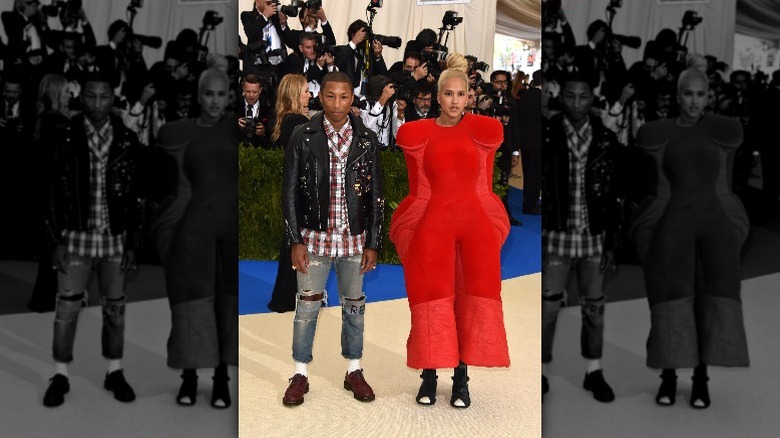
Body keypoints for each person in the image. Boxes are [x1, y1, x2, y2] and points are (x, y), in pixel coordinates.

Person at [390, 53, 511, 408]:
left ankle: (461, 379)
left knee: (467, 298)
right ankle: (429, 376)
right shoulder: (417, 135)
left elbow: (484, 188)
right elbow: (419, 190)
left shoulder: (483, 132)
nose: (455, 100)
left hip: (476, 231)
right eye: (449, 94)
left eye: (462, 94)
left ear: (469, 96)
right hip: (432, 231)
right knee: (431, 299)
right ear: (438, 96)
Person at [630, 68, 750, 408]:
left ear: (708, 96)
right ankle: (668, 377)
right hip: (670, 228)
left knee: (705, 301)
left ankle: (700, 380)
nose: (694, 101)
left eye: (700, 94)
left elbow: (724, 183)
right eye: (688, 94)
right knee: (670, 301)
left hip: (716, 229)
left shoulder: (722, 132)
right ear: (678, 95)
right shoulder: (658, 134)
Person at [281, 71, 384, 406]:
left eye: (344, 97)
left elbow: (376, 196)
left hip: (354, 242)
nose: (337, 104)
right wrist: (295, 239)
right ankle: (300, 373)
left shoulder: (367, 139)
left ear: (352, 98)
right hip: (314, 241)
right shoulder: (302, 135)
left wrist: (373, 243)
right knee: (306, 310)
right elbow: (290, 191)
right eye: (330, 96)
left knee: (354, 309)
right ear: (318, 96)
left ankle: (354, 370)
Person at [43, 71, 144, 407]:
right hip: (74, 238)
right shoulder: (65, 137)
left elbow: (134, 197)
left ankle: (114, 371)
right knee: (66, 310)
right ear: (81, 97)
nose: (98, 103)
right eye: (91, 96)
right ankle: (60, 373)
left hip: (115, 239)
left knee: (115, 310)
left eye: (103, 96)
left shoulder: (127, 140)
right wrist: (55, 237)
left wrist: (132, 243)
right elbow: (52, 191)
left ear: (111, 98)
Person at [153, 68, 238, 408]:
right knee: (191, 305)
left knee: (224, 304)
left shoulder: (236, 128)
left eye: (221, 94)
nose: (215, 101)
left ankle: (221, 380)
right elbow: (167, 181)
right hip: (192, 234)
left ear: (228, 96)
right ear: (199, 96)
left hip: (229, 234)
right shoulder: (178, 133)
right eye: (209, 94)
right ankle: (189, 377)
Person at [540, 72, 623, 403]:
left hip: (594, 237)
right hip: (556, 236)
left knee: (595, 308)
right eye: (571, 96)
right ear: (564, 97)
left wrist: (614, 242)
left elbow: (617, 194)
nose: (576, 102)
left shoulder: (606, 139)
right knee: (548, 310)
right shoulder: (548, 135)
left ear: (592, 98)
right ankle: (542, 372)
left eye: (583, 96)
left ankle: (594, 370)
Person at [27, 74, 72, 313]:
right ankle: (48, 299)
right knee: (57, 249)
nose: (69, 95)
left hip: (42, 192)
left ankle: (44, 298)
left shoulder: (43, 120)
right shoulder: (59, 124)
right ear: (56, 94)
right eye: (65, 92)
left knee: (50, 251)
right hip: (54, 194)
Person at [267, 73, 310, 313]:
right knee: (300, 243)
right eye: (305, 91)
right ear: (294, 94)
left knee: (292, 244)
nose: (309, 94)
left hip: (293, 189)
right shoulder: (296, 122)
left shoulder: (285, 120)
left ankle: (285, 297)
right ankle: (291, 297)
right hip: (302, 192)